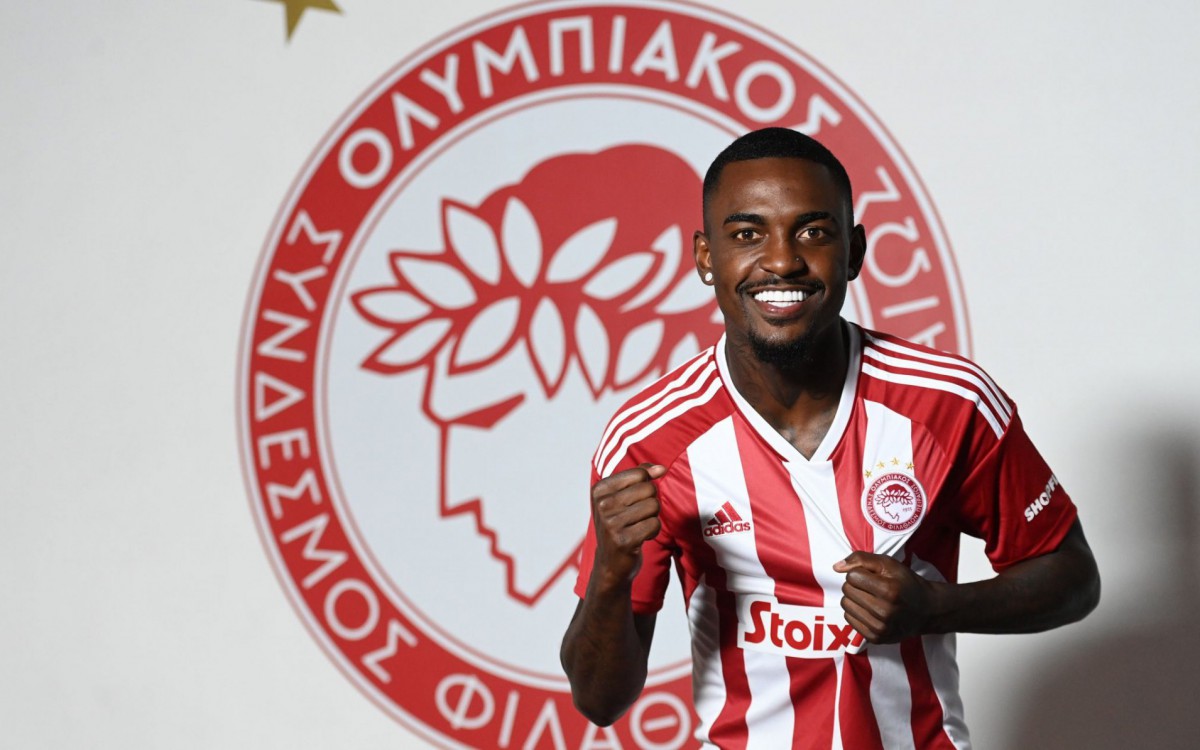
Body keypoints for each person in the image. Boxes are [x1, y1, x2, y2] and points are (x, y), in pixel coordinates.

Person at [560, 127, 1100, 748]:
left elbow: (1072, 577)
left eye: (813, 232)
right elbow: (599, 700)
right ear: (706, 258)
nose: (782, 261)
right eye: (747, 235)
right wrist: (610, 572)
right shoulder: (649, 440)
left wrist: (935, 607)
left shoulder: (950, 402)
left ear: (854, 252)